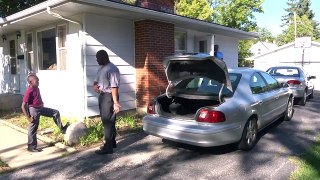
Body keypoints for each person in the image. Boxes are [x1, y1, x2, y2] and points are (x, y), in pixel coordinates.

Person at [21, 74, 69, 152]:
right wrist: (28, 117)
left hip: (40, 108)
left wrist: (41, 103)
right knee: (33, 127)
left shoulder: (37, 88)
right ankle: (31, 146)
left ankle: (62, 129)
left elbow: (38, 98)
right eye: (37, 81)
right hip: (34, 110)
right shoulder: (29, 91)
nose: (38, 82)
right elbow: (23, 106)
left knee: (55, 112)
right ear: (30, 82)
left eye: (38, 81)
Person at [93, 50, 120, 155]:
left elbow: (114, 87)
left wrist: (115, 102)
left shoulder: (112, 69)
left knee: (107, 122)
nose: (96, 60)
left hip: (109, 97)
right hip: (102, 96)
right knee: (109, 121)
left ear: (104, 57)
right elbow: (96, 81)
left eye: (97, 58)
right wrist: (95, 86)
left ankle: (108, 148)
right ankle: (112, 142)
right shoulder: (101, 69)